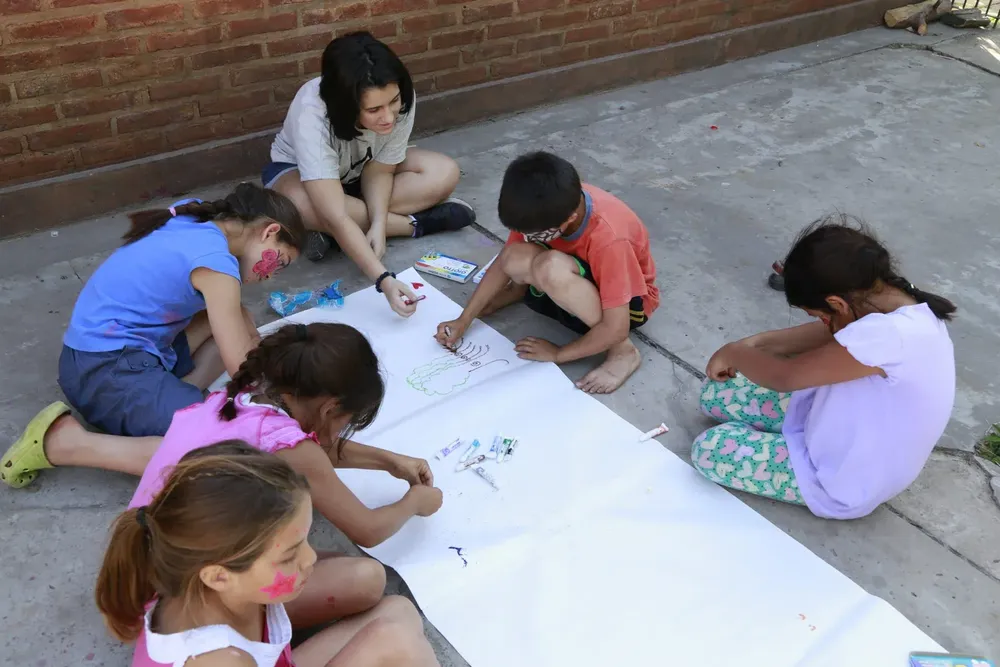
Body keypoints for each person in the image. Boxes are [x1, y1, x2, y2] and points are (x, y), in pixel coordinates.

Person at [0, 184, 304, 488]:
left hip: (102, 355)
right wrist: (290, 399)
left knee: (238, 317)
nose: (270, 274)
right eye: (280, 262)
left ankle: (166, 401)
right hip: (102, 374)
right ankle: (64, 442)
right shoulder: (215, 264)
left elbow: (240, 333)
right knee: (219, 446)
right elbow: (242, 365)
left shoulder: (196, 216)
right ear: (269, 231)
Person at [692, 216, 956, 519]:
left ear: (837, 303)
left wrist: (735, 352)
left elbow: (785, 376)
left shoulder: (888, 337)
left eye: (818, 315)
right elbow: (833, 332)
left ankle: (768, 445)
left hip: (844, 480)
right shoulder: (890, 303)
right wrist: (759, 343)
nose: (822, 323)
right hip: (837, 424)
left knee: (711, 449)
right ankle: (767, 437)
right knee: (718, 394)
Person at [95, 441, 441, 667]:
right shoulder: (218, 660)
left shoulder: (204, 572)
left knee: (398, 612)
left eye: (304, 541)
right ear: (218, 575)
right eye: (290, 555)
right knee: (396, 642)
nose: (310, 559)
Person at [264, 31, 476, 318]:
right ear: (346, 104)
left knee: (444, 172)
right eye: (374, 109)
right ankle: (415, 225)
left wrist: (377, 225)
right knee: (300, 206)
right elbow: (336, 214)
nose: (388, 116)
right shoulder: (311, 112)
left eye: (393, 102)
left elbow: (381, 168)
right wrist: (383, 279)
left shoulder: (400, 94)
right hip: (301, 177)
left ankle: (339, 235)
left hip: (360, 173)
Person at [435, 151, 659, 394]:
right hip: (566, 287)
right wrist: (465, 319)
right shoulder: (544, 203)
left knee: (550, 267)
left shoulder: (609, 237)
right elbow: (504, 262)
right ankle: (518, 292)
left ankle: (623, 352)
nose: (529, 238)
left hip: (623, 311)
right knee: (515, 256)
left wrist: (559, 354)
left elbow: (617, 326)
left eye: (536, 234)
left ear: (570, 218)